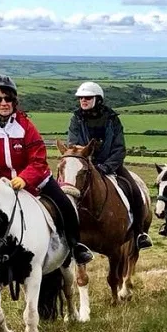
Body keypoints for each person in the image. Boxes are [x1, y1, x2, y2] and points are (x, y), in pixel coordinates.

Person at [0, 74, 93, 264]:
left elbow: (38, 160)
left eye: (8, 98)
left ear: (14, 100)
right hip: (1, 184)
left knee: (65, 205)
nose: (4, 103)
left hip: (35, 181)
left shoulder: (26, 126)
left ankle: (75, 246)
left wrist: (25, 178)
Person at [66, 81, 152, 249]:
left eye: (87, 98)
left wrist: (106, 167)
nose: (83, 100)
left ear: (97, 99)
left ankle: (139, 232)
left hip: (110, 165)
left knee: (134, 190)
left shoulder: (112, 119)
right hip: (85, 166)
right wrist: (87, 163)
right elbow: (73, 143)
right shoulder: (76, 118)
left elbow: (119, 148)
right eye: (81, 98)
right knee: (65, 191)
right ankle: (65, 234)